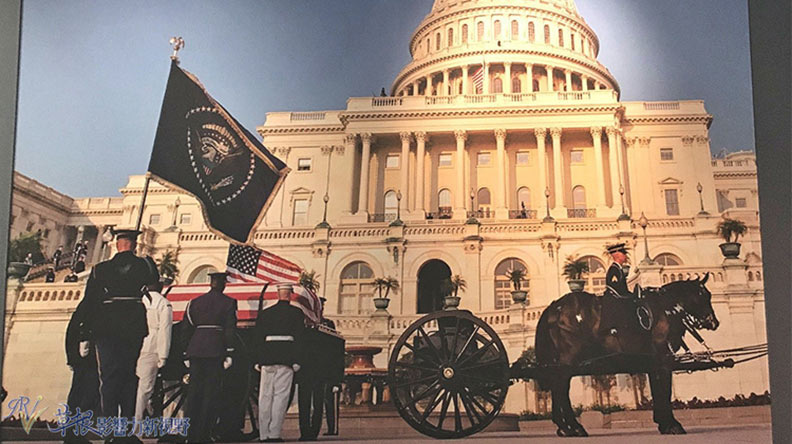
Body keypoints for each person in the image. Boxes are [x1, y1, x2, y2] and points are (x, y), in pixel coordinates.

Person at [80, 229, 159, 444]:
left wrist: (85, 333)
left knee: (108, 378)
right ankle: (125, 430)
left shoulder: (100, 269)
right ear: (134, 244)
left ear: (116, 244)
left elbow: (90, 302)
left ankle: (109, 431)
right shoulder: (145, 265)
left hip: (106, 328)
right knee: (128, 376)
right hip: (133, 327)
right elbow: (155, 279)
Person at [181, 272, 237, 444]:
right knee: (210, 394)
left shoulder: (195, 302)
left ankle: (190, 434)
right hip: (215, 350)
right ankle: (204, 434)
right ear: (223, 284)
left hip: (196, 350)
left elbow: (186, 328)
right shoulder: (229, 303)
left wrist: (186, 352)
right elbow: (229, 329)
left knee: (194, 393)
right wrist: (229, 351)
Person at [255, 284, 305, 443]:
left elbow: (258, 338)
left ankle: (263, 434)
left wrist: (258, 359)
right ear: (290, 294)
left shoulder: (265, 313)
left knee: (265, 396)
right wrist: (297, 360)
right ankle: (274, 434)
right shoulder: (296, 313)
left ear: (278, 294)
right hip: (286, 357)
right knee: (280, 397)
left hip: (267, 358)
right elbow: (300, 339)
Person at [134, 280, 173, 423]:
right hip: (153, 347)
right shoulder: (163, 303)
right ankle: (136, 429)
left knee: (134, 388)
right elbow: (165, 330)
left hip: (137, 346)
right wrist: (163, 355)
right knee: (144, 390)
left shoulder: (139, 300)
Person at [64, 297, 100, 444]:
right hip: (87, 359)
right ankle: (73, 433)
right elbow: (73, 331)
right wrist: (72, 357)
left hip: (89, 359)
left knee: (85, 396)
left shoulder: (88, 304)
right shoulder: (91, 305)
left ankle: (75, 433)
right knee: (83, 396)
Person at [598, 243, 646, 337]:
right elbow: (614, 288)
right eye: (623, 254)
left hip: (618, 296)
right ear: (617, 255)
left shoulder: (618, 269)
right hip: (614, 299)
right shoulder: (614, 269)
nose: (625, 256)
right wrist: (629, 295)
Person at [319, 299, 339, 437]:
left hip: (327, 367)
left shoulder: (328, 324)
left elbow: (335, 348)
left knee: (329, 400)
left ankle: (332, 428)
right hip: (314, 367)